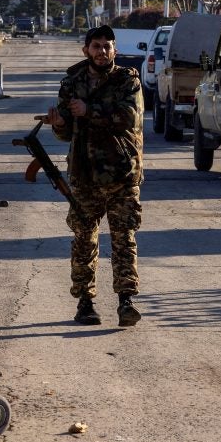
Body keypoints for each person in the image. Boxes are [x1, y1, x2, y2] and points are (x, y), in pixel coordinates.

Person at [45, 25, 144, 327]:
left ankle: (126, 301)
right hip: (84, 173)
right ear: (86, 50)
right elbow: (65, 133)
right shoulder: (72, 82)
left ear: (115, 50)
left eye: (108, 46)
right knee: (84, 238)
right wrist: (59, 122)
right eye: (97, 46)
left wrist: (89, 110)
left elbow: (129, 117)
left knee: (123, 237)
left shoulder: (128, 80)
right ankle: (85, 302)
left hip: (120, 172)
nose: (102, 51)